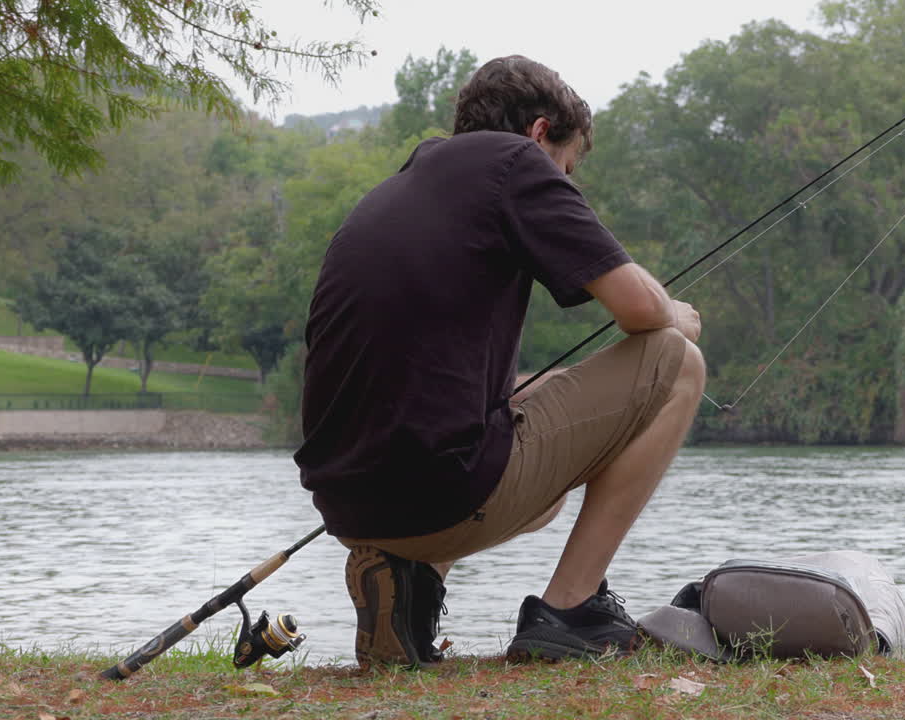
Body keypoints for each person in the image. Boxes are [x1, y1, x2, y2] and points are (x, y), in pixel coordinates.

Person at [295, 55, 706, 666]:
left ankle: (409, 588)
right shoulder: (516, 164)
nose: (566, 183)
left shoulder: (395, 192)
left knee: (537, 394)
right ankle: (570, 609)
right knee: (677, 360)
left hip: (346, 503)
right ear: (541, 133)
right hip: (445, 493)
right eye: (569, 168)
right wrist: (677, 312)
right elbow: (641, 311)